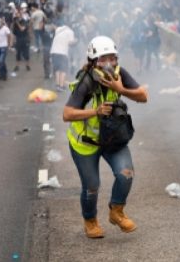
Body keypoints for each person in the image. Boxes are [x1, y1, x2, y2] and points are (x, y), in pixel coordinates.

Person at [63, 36, 148, 239]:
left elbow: (143, 96)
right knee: (92, 187)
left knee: (126, 174)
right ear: (93, 61)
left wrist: (121, 90)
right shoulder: (86, 81)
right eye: (103, 59)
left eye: (112, 58)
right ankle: (90, 220)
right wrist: (96, 111)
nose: (109, 63)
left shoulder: (119, 74)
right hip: (86, 143)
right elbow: (67, 114)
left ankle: (116, 212)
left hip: (112, 139)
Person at [49, 19, 76, 91]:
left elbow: (54, 28)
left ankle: (58, 85)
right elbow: (70, 43)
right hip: (62, 52)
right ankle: (61, 86)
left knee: (57, 69)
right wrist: (75, 41)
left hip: (54, 51)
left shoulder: (59, 29)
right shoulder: (70, 32)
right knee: (63, 69)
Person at [12, 2, 31, 72]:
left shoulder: (24, 21)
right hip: (18, 38)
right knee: (18, 53)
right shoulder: (15, 21)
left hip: (25, 38)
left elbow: (22, 28)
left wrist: (17, 22)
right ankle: (17, 66)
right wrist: (13, 40)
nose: (17, 14)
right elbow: (14, 31)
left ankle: (27, 65)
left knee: (26, 52)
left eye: (19, 13)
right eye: (17, 13)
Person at [0, 17, 12, 81]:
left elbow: (9, 36)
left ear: (2, 22)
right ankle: (1, 75)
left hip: (4, 46)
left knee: (1, 61)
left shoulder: (5, 29)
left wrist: (9, 45)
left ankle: (4, 74)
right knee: (0, 62)